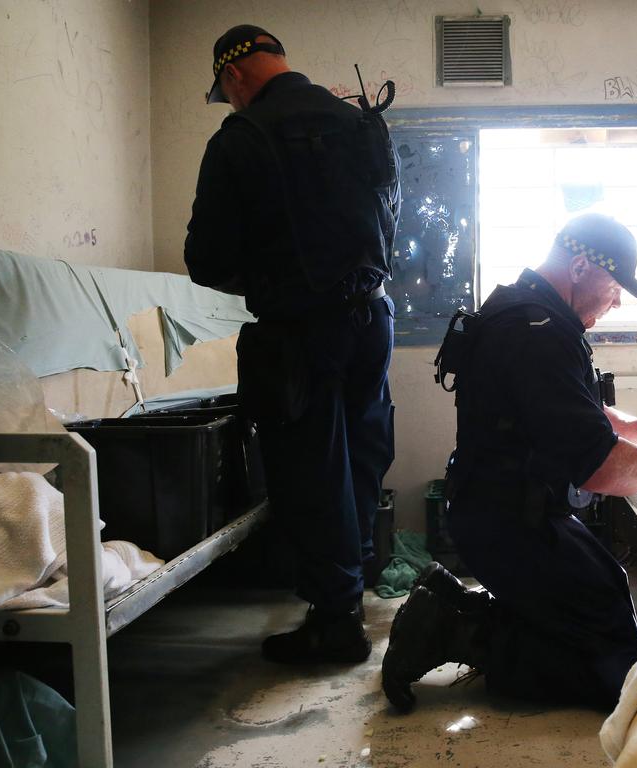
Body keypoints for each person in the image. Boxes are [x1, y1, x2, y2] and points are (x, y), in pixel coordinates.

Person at [382, 213, 637, 711]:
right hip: (510, 520)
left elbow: (571, 408)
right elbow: (600, 468)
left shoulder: (527, 310)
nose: (618, 300)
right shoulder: (536, 330)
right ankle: (453, 631)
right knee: (612, 672)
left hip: (502, 507)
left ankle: (451, 600)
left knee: (606, 602)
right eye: (616, 285)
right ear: (581, 266)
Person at [185, 24, 400, 664]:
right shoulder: (360, 123)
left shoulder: (242, 137)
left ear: (233, 76)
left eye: (226, 94)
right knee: (361, 456)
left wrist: (265, 274)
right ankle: (350, 594)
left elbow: (206, 259)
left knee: (310, 469)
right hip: (373, 319)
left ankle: (335, 625)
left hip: (299, 331)